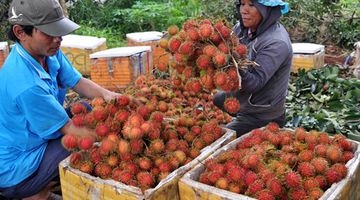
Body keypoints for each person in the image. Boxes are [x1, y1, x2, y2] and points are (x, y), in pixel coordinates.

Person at [0, 0, 121, 199]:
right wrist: (114, 138)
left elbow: (78, 82)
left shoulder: (48, 52)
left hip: (36, 138)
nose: (58, 39)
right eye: (49, 32)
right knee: (79, 145)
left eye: (59, 31)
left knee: (86, 108)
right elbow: (71, 131)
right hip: (17, 169)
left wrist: (112, 97)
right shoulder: (25, 84)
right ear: (20, 32)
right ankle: (34, 191)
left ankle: (45, 185)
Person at [213, 0, 293, 137]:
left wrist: (233, 63)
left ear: (266, 9)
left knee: (219, 139)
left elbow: (255, 82)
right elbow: (226, 48)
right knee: (217, 98)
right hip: (246, 99)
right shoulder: (242, 28)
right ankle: (237, 116)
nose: (244, 10)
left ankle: (248, 123)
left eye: (251, 5)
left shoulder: (276, 42)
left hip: (262, 113)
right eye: (242, 4)